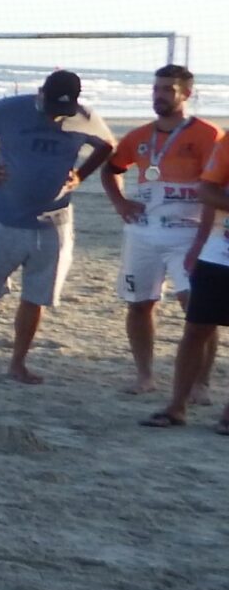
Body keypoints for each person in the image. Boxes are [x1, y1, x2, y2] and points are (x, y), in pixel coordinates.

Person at [0, 70, 115, 384]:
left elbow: (107, 145)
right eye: (51, 109)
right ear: (41, 94)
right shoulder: (10, 109)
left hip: (53, 223)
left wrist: (81, 175)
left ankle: (18, 363)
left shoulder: (84, 117)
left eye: (62, 112)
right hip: (2, 218)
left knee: (36, 296)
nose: (55, 117)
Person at [100, 66, 222, 398]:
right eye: (157, 88)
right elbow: (110, 169)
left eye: (168, 89)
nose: (160, 95)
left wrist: (200, 241)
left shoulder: (209, 135)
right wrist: (121, 203)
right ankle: (145, 376)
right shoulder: (139, 136)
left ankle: (201, 382)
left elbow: (217, 188)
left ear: (186, 94)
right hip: (143, 233)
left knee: (198, 311)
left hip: (189, 234)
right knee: (139, 304)